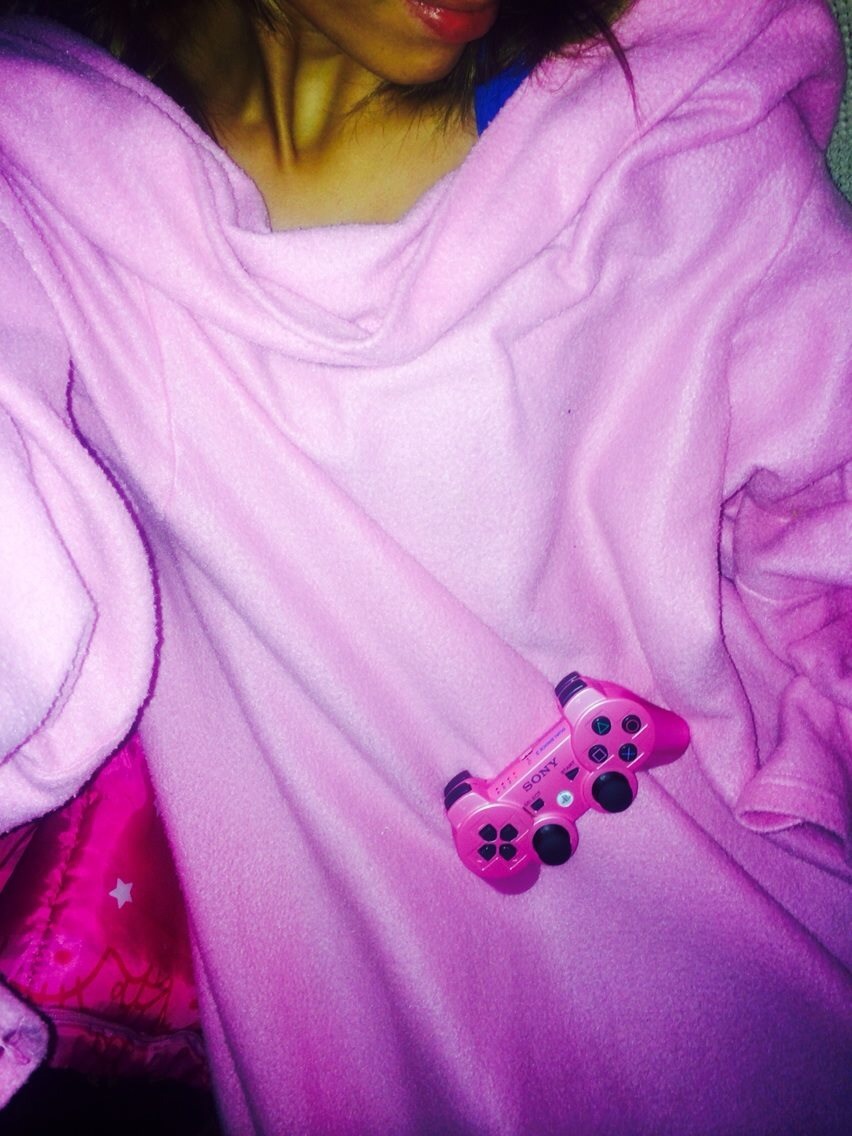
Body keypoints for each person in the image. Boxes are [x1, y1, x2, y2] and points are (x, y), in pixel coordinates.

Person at [0, 0, 850, 1133]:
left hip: (773, 963)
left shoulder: (686, 140)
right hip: (382, 1058)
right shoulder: (46, 198)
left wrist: (817, 753)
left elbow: (829, 515)